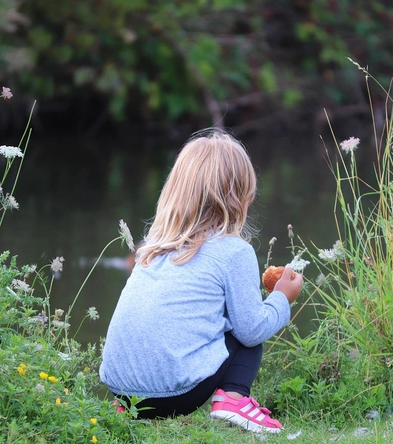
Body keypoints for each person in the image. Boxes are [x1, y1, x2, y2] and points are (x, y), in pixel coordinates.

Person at [99, 129, 302, 433]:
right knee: (247, 326)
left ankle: (132, 410)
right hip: (178, 395)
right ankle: (233, 400)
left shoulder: (151, 248)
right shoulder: (234, 251)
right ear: (241, 198)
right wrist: (282, 297)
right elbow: (251, 330)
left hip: (122, 392)